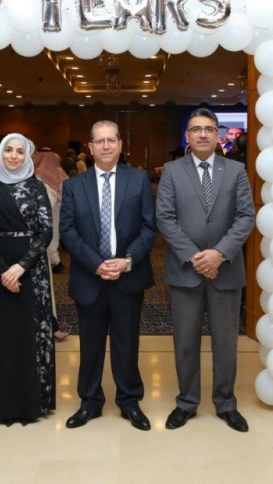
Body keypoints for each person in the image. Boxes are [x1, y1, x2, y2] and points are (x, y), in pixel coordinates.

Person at [156, 107, 255, 433]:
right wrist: (196, 257)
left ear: (218, 135)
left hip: (226, 271)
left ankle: (226, 403)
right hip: (186, 271)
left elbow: (245, 216)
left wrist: (219, 254)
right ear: (187, 136)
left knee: (226, 343)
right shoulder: (172, 171)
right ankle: (186, 402)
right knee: (185, 342)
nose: (202, 134)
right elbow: (165, 218)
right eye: (196, 129)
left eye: (209, 129)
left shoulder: (236, 170)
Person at [59, 120, 156, 431]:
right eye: (99, 141)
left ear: (120, 144)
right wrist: (96, 264)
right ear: (90, 147)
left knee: (127, 343)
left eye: (111, 140)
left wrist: (126, 261)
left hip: (128, 276)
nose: (105, 146)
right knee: (90, 345)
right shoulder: (74, 186)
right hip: (90, 277)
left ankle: (129, 401)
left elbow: (149, 228)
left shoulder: (138, 180)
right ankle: (90, 401)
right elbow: (68, 232)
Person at [0, 134, 56, 426]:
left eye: (20, 152)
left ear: (27, 157)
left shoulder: (37, 187)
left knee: (27, 336)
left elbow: (46, 231)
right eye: (8, 150)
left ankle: (30, 402)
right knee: (1, 335)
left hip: (31, 271)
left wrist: (20, 267)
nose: (13, 156)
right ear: (0, 154)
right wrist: (2, 270)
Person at [33, 147, 70, 341]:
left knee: (43, 288)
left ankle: (50, 326)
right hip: (45, 236)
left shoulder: (39, 178)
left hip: (44, 236)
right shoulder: (59, 175)